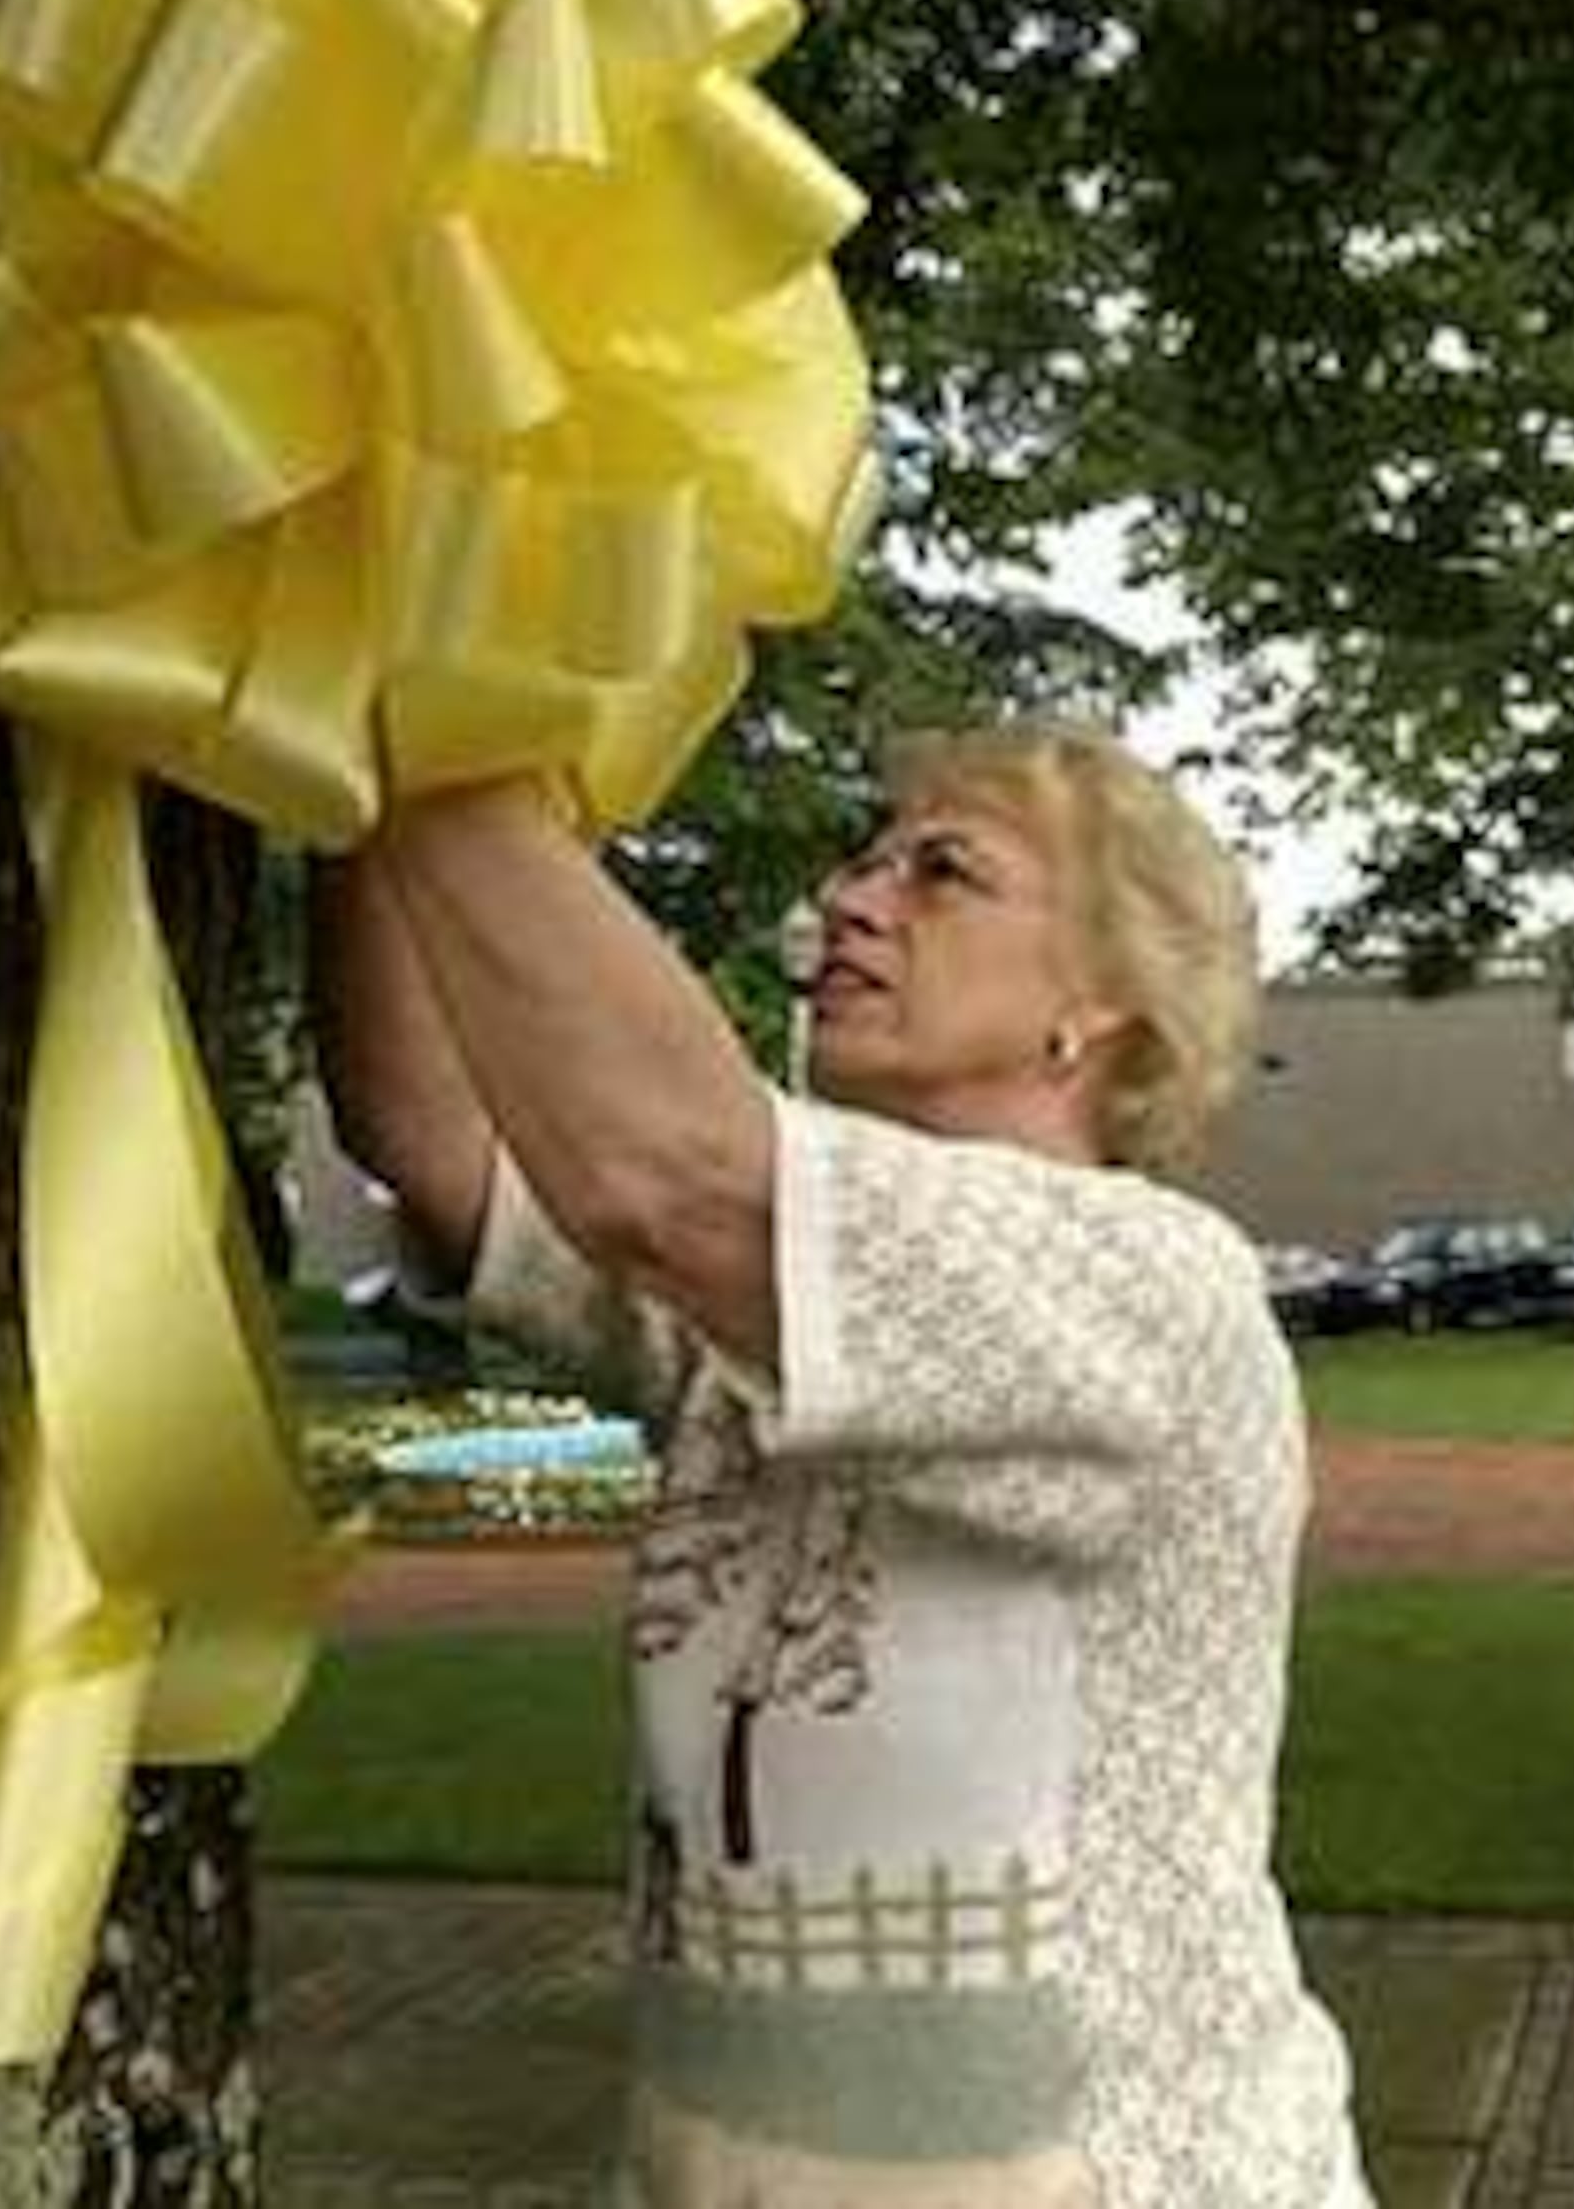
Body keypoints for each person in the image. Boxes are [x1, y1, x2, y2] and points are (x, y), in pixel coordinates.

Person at [315, 723, 1368, 2207]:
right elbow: (431, 1135)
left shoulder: (1148, 1279)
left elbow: (664, 1179)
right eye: (867, 859)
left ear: (1101, 1007)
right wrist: (353, 764)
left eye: (944, 872)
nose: (851, 900)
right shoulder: (775, 1308)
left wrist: (434, 701)